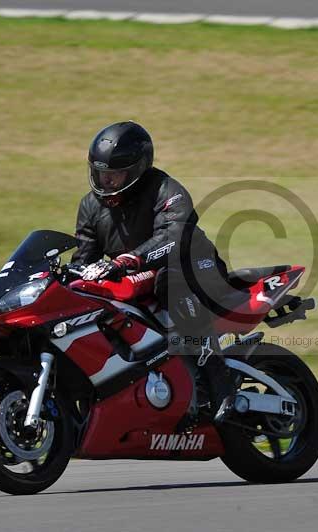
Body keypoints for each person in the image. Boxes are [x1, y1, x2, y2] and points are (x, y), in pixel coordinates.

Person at [71, 121, 235, 422]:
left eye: (114, 174)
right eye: (101, 174)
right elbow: (84, 258)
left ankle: (218, 377)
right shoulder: (90, 207)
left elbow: (175, 235)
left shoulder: (166, 190)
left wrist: (129, 259)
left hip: (194, 266)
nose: (106, 181)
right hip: (138, 275)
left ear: (137, 170)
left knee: (168, 283)